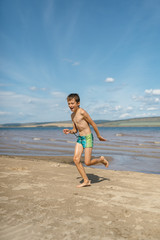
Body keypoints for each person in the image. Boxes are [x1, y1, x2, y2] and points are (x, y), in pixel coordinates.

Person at [63, 93, 109, 188]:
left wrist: (99, 136)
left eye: (72, 103)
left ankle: (101, 159)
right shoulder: (72, 116)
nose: (70, 106)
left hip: (88, 138)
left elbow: (93, 124)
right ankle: (86, 180)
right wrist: (70, 131)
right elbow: (75, 130)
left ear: (78, 103)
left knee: (87, 162)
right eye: (69, 103)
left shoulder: (82, 112)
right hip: (80, 138)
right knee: (76, 159)